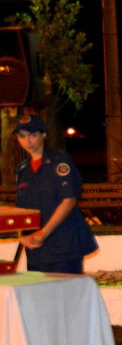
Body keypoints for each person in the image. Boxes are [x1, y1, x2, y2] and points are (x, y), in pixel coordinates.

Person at [13, 113, 98, 274]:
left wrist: (43, 233)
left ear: (43, 135)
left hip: (64, 245)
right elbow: (22, 208)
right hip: (37, 249)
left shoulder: (60, 161)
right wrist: (22, 235)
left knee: (66, 296)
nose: (27, 141)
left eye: (32, 135)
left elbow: (69, 200)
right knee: (40, 297)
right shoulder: (23, 170)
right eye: (22, 136)